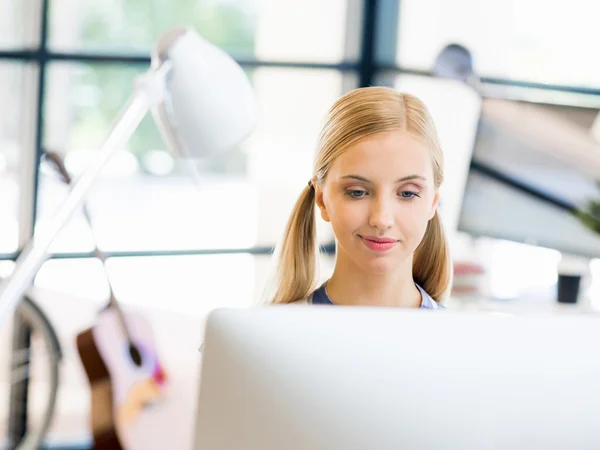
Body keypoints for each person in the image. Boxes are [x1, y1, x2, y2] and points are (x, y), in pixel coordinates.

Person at [269, 86, 451, 308]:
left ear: (433, 202)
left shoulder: (464, 339)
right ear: (321, 199)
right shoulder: (273, 332)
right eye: (357, 192)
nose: (382, 219)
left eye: (407, 194)